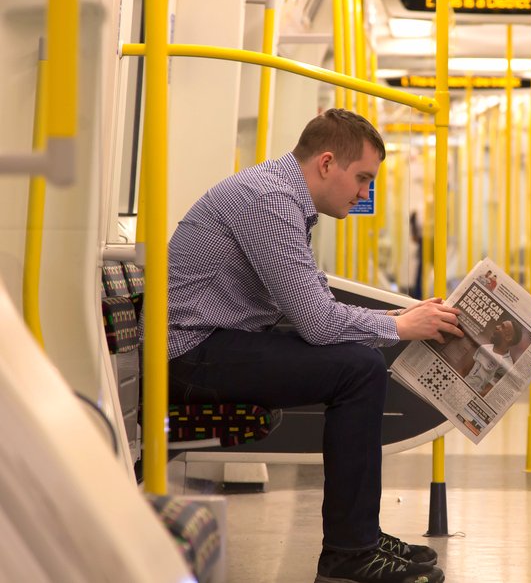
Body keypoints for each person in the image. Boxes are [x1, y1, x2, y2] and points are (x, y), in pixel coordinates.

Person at [163, 108, 462, 583]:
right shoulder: (268, 200)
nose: (365, 193)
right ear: (327, 164)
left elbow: (312, 301)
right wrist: (403, 329)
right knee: (359, 368)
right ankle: (349, 550)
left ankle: (358, 532)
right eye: (362, 178)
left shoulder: (279, 197)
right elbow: (319, 324)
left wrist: (397, 317)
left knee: (358, 361)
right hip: (190, 354)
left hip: (213, 343)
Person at [464, 318, 518, 395]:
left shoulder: (507, 364)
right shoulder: (484, 347)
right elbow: (466, 369)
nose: (497, 326)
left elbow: (490, 391)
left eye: (502, 326)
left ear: (508, 337)